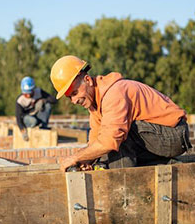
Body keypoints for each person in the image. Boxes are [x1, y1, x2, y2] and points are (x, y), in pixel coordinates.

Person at [50, 55, 192, 171]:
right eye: (69, 97)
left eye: (74, 93)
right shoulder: (95, 105)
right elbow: (95, 141)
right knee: (104, 153)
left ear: (87, 80)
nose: (74, 100)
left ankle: (124, 192)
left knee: (117, 137)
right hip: (156, 137)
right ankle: (166, 164)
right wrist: (87, 160)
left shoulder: (114, 93)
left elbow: (109, 141)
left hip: (174, 135)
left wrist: (75, 157)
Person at [16, 76, 57, 141]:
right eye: (26, 94)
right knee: (33, 121)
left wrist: (43, 100)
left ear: (33, 89)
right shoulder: (20, 100)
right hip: (27, 118)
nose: (28, 96)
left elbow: (54, 100)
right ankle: (34, 126)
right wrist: (23, 130)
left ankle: (43, 127)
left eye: (30, 93)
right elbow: (18, 119)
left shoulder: (39, 92)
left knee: (47, 105)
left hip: (37, 114)